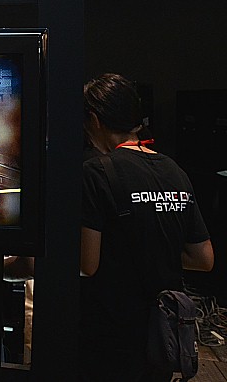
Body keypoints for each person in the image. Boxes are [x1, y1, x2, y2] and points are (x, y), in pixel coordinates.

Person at [80, 73, 214, 381]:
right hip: (163, 336)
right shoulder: (175, 171)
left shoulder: (96, 172)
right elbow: (204, 259)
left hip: (110, 336)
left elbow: (87, 264)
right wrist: (155, 249)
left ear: (94, 119)